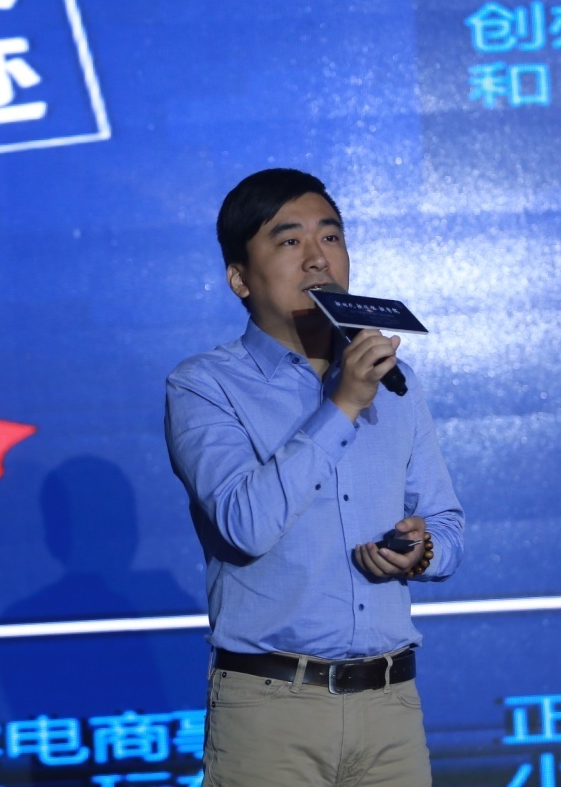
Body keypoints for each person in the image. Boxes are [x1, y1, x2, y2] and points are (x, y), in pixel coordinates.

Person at [164, 168, 464, 786]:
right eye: (289, 240)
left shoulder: (395, 383)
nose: (317, 258)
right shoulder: (205, 385)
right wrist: (343, 404)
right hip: (272, 709)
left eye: (330, 237)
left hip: (391, 704)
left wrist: (421, 551)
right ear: (239, 278)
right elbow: (245, 525)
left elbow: (447, 524)